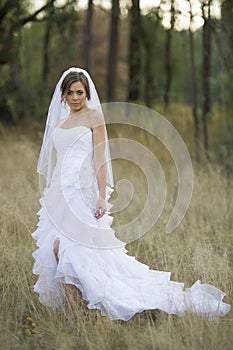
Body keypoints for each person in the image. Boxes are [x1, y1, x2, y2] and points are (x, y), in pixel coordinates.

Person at [32, 67, 230, 321]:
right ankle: (76, 313)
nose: (75, 97)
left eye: (80, 92)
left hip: (83, 191)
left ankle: (83, 310)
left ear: (87, 93)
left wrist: (101, 195)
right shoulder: (60, 122)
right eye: (70, 93)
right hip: (60, 191)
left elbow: (100, 159)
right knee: (55, 250)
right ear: (63, 95)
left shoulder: (94, 117)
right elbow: (57, 158)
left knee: (68, 248)